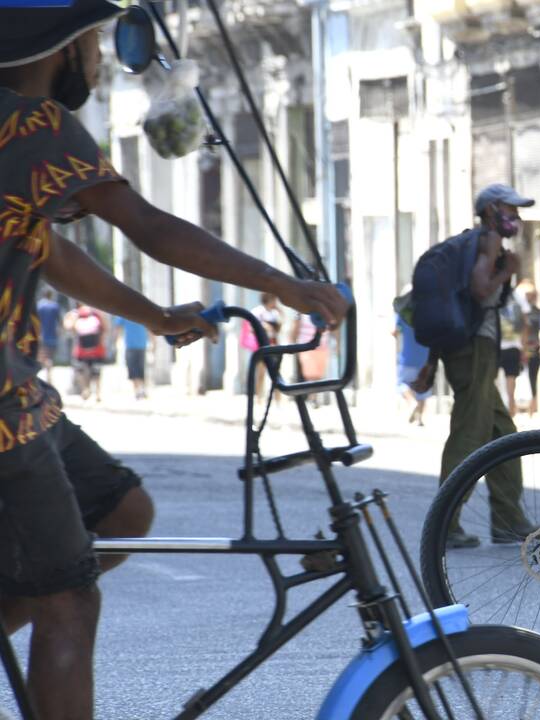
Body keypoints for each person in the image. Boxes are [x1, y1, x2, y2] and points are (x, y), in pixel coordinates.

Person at [0, 5, 347, 718]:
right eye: (94, 38)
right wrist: (282, 284)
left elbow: (51, 251)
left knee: (122, 508)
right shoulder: (34, 126)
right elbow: (150, 226)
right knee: (68, 597)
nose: (100, 55)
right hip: (4, 409)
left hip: (21, 393)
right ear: (62, 47)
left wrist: (157, 318)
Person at [420, 183, 538, 549]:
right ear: (490, 211)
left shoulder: (477, 243)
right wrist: (508, 272)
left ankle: (508, 520)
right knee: (469, 435)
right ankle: (446, 523)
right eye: (510, 209)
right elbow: (479, 290)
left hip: (474, 350)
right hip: (473, 351)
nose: (516, 217)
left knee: (502, 434)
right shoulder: (485, 241)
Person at [393, 289, 431, 425]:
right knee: (423, 386)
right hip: (425, 356)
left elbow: (394, 331)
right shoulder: (428, 312)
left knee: (402, 384)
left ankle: (411, 402)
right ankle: (420, 418)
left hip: (407, 356)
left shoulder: (403, 313)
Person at [65, 302, 108, 402]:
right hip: (96, 348)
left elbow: (68, 327)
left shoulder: (75, 314)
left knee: (81, 370)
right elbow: (105, 328)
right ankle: (97, 393)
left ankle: (86, 390)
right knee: (96, 372)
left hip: (81, 349)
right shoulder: (97, 313)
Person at [498, 289, 525, 415]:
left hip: (498, 347)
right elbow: (524, 325)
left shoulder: (495, 301)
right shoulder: (517, 303)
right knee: (511, 379)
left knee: (494, 379)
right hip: (513, 347)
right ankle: (511, 408)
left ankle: (502, 409)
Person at [249, 292, 281, 398]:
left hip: (273, 343)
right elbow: (252, 328)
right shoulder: (258, 312)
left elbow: (279, 328)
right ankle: (259, 397)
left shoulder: (275, 313)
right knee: (261, 372)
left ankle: (277, 398)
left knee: (275, 373)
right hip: (262, 344)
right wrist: (264, 326)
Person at [519, 279, 540, 417]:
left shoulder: (538, 312)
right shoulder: (519, 311)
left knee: (532, 376)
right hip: (520, 347)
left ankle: (532, 405)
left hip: (534, 347)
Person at [113, 315, 149, 399]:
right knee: (133, 369)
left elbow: (149, 328)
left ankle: (142, 389)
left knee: (140, 369)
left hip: (141, 345)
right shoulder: (125, 314)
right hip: (130, 345)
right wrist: (116, 341)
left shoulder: (143, 313)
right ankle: (137, 390)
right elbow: (118, 327)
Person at [36, 288, 62, 384]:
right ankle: (49, 377)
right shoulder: (55, 306)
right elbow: (59, 321)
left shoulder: (39, 306)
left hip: (41, 334)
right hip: (52, 334)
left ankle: (42, 377)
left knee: (42, 356)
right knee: (50, 357)